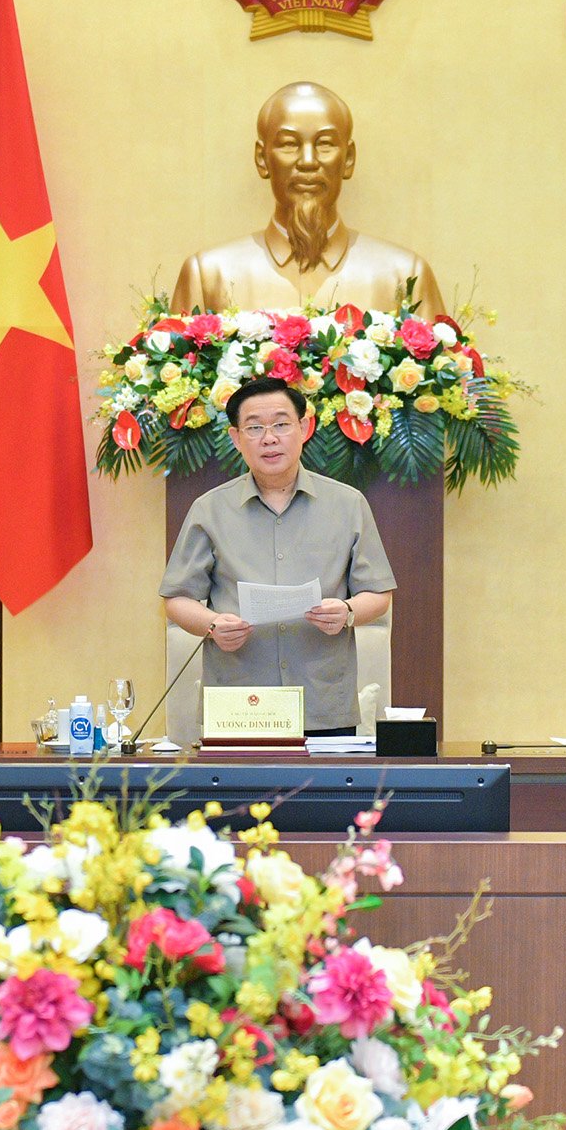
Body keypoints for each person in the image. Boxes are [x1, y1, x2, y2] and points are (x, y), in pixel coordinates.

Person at [159, 376, 396, 735]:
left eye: (281, 424)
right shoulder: (209, 509)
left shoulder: (348, 504)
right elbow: (177, 598)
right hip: (239, 705)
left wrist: (347, 612)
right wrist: (212, 625)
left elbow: (378, 594)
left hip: (322, 703)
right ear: (237, 438)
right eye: (254, 428)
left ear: (304, 427)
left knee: (323, 794)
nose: (269, 438)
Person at [170, 82, 446, 316]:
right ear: (262, 159)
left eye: (325, 143)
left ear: (348, 159)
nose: (308, 161)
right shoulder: (208, 276)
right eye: (289, 144)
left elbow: (450, 375)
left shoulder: (404, 276)